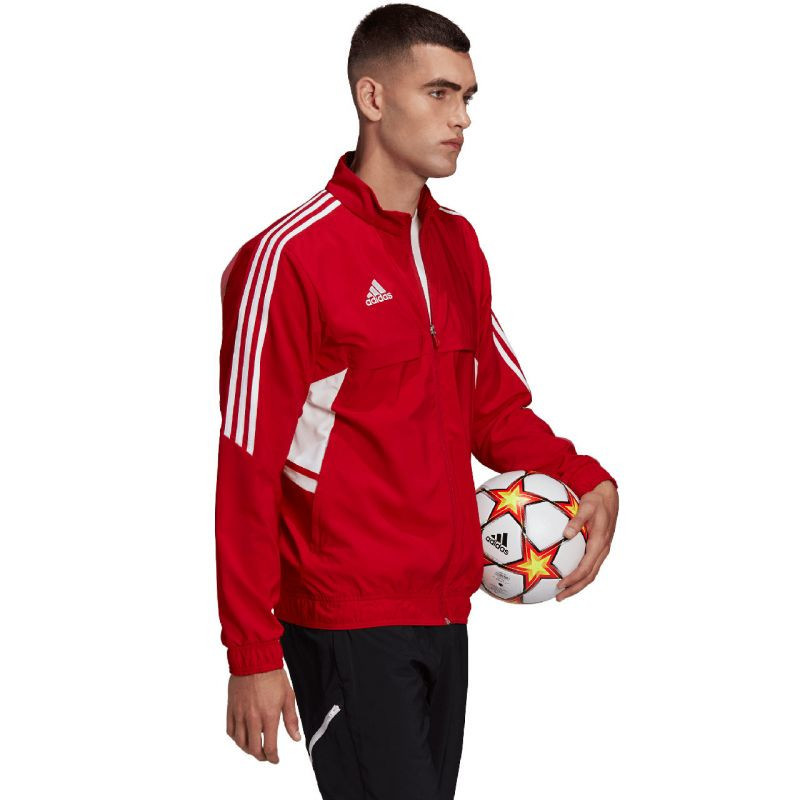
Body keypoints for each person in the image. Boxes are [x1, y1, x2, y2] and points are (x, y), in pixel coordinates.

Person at [214, 4, 619, 798]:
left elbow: (492, 408)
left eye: (467, 97)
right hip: (344, 619)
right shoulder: (287, 259)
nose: (461, 118)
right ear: (371, 97)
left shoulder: (456, 245)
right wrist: (251, 650)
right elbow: (246, 465)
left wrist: (587, 477)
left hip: (445, 612)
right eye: (439, 93)